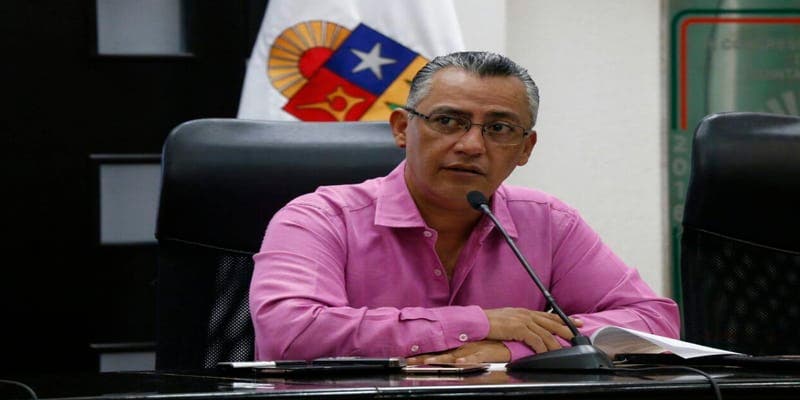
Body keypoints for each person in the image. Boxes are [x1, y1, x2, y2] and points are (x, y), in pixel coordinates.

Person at [249, 51, 680, 364]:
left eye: (499, 128)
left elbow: (652, 321)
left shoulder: (548, 222)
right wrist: (480, 323)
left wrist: (512, 348)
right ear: (401, 128)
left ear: (525, 148)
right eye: (447, 121)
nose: (472, 145)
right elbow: (293, 333)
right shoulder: (320, 218)